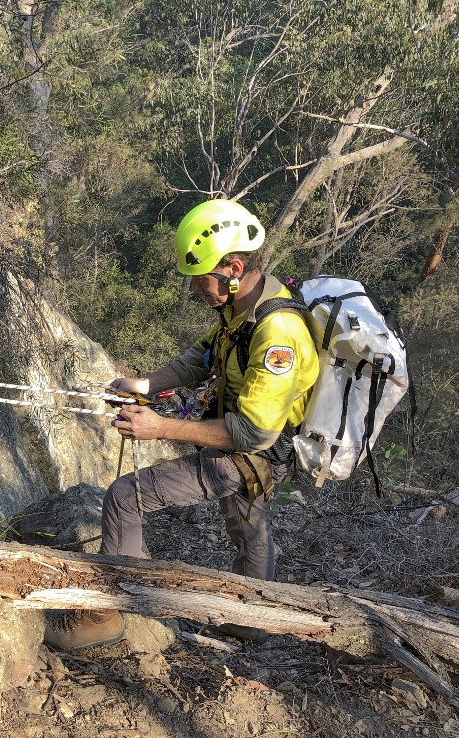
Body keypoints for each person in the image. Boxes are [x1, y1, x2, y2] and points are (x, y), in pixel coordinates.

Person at [44, 198, 320, 651]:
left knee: (123, 498)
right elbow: (201, 358)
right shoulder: (243, 309)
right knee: (248, 525)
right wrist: (146, 383)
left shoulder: (277, 332)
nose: (195, 289)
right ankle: (250, 617)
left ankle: (102, 616)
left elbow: (254, 432)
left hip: (252, 450)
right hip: (249, 448)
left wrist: (158, 427)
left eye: (201, 279)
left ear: (232, 267)